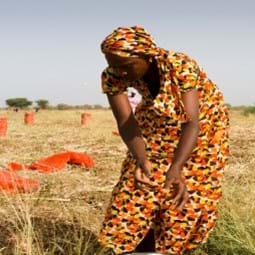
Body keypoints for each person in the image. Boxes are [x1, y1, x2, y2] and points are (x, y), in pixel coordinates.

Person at [98, 26, 229, 255]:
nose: (120, 72)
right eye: (113, 65)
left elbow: (191, 123)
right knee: (138, 185)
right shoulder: (112, 75)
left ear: (148, 56)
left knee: (184, 194)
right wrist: (141, 159)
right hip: (155, 119)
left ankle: (167, 249)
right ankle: (134, 247)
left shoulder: (179, 65)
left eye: (126, 66)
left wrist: (176, 168)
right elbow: (126, 122)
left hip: (205, 128)